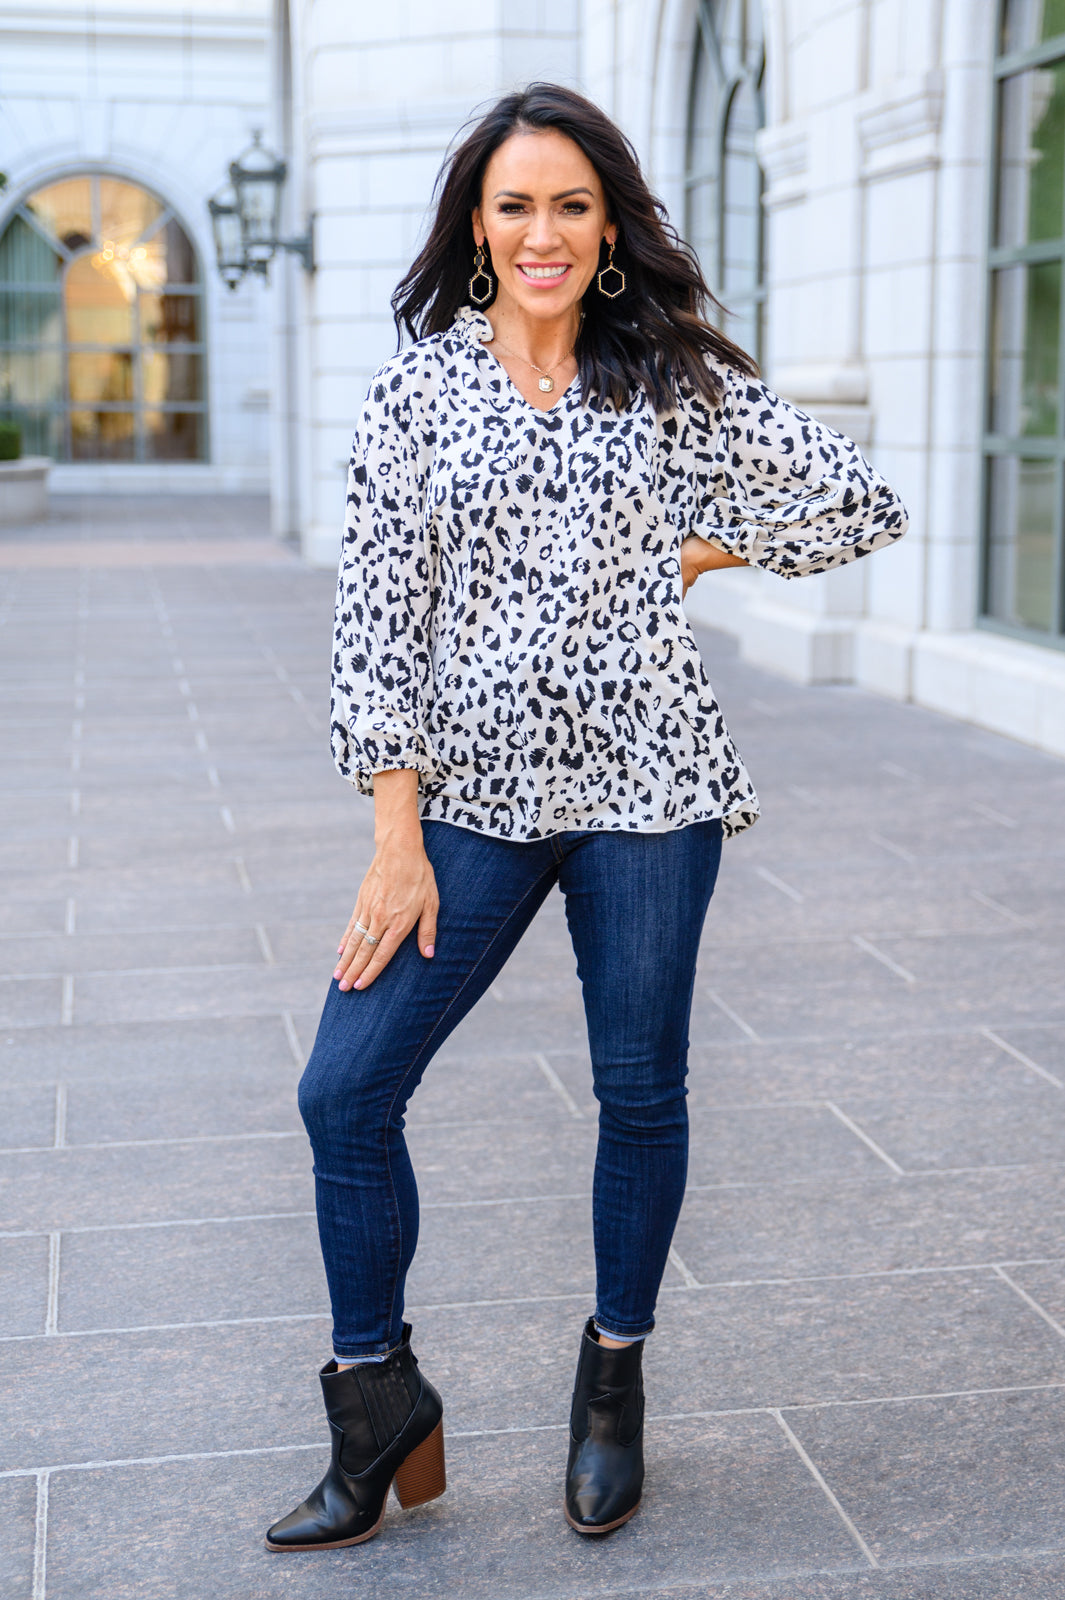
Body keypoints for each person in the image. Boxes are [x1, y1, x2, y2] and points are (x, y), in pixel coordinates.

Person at [265, 82, 908, 1553]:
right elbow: (376, 625)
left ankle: (611, 1379)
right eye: (513, 206)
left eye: (569, 204)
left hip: (648, 791)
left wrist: (693, 553)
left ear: (608, 224)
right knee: (343, 1090)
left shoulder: (670, 378)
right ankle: (378, 1403)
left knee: (640, 1091)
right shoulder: (416, 387)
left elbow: (855, 505)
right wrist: (393, 834)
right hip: (470, 808)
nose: (541, 232)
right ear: (475, 227)